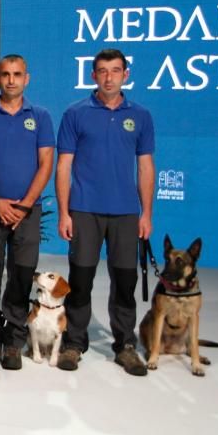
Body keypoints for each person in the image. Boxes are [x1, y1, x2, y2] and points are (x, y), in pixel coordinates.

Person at [55, 48, 155, 376]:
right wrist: (64, 213)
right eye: (102, 70)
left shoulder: (140, 115)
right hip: (84, 211)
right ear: (93, 75)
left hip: (126, 214)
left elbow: (145, 167)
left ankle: (125, 344)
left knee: (124, 282)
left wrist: (146, 214)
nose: (108, 76)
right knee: (81, 280)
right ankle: (74, 342)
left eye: (115, 70)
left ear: (126, 74)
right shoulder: (75, 113)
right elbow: (64, 166)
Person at [0, 54, 54, 370]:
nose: (11, 80)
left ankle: (14, 340)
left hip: (27, 211)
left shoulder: (41, 116)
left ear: (27, 78)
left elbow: (46, 163)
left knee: (22, 275)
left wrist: (23, 206)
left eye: (17, 74)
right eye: (6, 74)